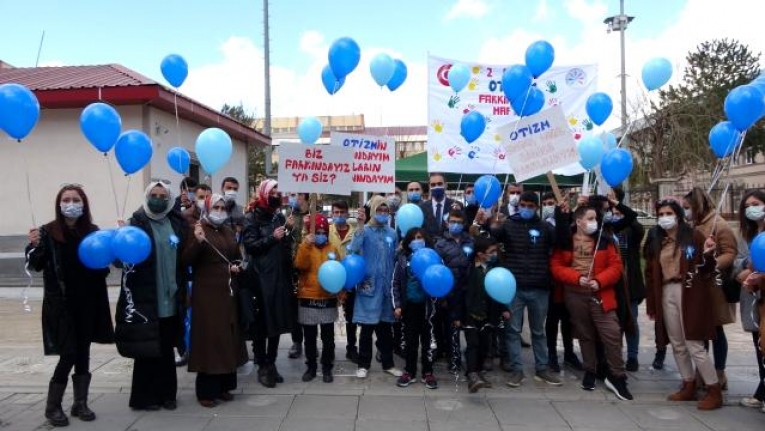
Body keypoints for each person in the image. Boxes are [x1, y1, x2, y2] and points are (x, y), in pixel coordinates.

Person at [27, 185, 114, 427]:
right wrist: (33, 246)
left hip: (88, 302)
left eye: (76, 199)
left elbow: (104, 266)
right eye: (66, 199)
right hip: (61, 305)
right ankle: (52, 406)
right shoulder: (47, 232)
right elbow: (37, 264)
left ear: (84, 204)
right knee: (68, 353)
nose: (71, 203)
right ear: (59, 204)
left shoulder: (93, 232)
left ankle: (80, 403)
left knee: (83, 352)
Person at [115, 180, 187, 411]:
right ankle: (144, 398)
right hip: (146, 297)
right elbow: (120, 261)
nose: (158, 199)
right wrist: (119, 240)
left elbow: (184, 253)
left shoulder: (176, 222)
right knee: (146, 350)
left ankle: (168, 395)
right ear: (146, 197)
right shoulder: (135, 223)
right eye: (154, 194)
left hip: (171, 298)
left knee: (166, 348)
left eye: (162, 195)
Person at [643, 197, 721, 410]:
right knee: (677, 342)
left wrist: (709, 253)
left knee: (694, 342)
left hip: (689, 292)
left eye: (669, 214)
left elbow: (706, 268)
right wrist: (652, 303)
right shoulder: (657, 240)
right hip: (666, 291)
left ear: (678, 215)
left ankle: (713, 388)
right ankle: (688, 383)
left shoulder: (693, 236)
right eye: (661, 215)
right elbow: (650, 274)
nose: (664, 218)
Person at [478, 191, 560, 387]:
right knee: (512, 331)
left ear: (537, 208)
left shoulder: (546, 227)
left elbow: (561, 241)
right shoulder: (508, 224)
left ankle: (542, 369)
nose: (526, 209)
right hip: (514, 287)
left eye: (531, 206)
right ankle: (517, 370)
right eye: (523, 205)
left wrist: (563, 216)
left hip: (540, 287)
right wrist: (485, 222)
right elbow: (491, 236)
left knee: (538, 331)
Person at [550, 205, 632, 400]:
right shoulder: (565, 240)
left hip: (601, 293)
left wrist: (600, 280)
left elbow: (616, 266)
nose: (594, 222)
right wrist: (575, 278)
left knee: (611, 333)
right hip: (574, 293)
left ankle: (617, 375)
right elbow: (556, 266)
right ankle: (590, 370)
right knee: (585, 334)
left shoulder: (605, 240)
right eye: (590, 218)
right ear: (578, 222)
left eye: (595, 218)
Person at [182, 194, 243, 407]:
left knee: (227, 338)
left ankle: (224, 386)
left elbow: (236, 255)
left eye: (222, 207)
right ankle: (206, 391)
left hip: (227, 293)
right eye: (215, 207)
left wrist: (237, 266)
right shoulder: (198, 230)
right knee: (209, 339)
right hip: (207, 295)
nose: (219, 211)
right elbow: (186, 259)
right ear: (207, 209)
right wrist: (198, 242)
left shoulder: (227, 230)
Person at [682, 186, 738, 389]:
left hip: (714, 287)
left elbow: (730, 252)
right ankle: (702, 370)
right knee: (700, 329)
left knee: (715, 329)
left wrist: (710, 263)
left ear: (696, 206)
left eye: (687, 207)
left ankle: (720, 373)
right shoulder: (694, 225)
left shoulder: (718, 225)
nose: (685, 212)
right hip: (697, 285)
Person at [242, 179, 296, 388]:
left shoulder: (279, 216)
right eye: (272, 190)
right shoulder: (251, 218)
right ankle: (262, 365)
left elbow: (286, 244)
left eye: (278, 190)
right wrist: (273, 238)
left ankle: (272, 363)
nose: (276, 193)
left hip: (278, 277)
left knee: (276, 322)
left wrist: (289, 231)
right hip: (259, 279)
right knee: (260, 325)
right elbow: (251, 245)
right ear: (264, 193)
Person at [350, 196, 402, 378]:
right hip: (368, 286)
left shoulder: (392, 233)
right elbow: (353, 250)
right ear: (372, 210)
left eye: (385, 210)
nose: (382, 214)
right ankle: (363, 364)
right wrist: (360, 226)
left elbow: (394, 257)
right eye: (379, 210)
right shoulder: (365, 231)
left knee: (386, 330)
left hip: (386, 289)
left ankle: (388, 364)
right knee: (366, 330)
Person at [458, 235, 510, 392]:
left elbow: (501, 291)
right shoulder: (468, 269)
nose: (494, 254)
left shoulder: (496, 269)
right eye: (491, 251)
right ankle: (472, 375)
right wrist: (457, 315)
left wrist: (505, 308)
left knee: (484, 346)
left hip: (488, 314)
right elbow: (459, 293)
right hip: (470, 314)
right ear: (480, 254)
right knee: (472, 345)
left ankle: (478, 371)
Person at [293, 214, 340, 383]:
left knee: (328, 339)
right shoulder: (305, 246)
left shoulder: (332, 249)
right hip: (308, 298)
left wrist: (341, 294)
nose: (321, 234)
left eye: (323, 231)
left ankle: (327, 368)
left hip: (327, 299)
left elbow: (339, 271)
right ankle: (311, 367)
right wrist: (306, 244)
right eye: (318, 231)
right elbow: (300, 265)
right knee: (310, 339)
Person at [732, 189, 765, 411]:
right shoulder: (746, 234)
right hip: (753, 297)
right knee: (759, 345)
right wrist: (747, 267)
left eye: (755, 203)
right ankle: (762, 390)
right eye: (746, 206)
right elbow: (737, 265)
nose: (750, 209)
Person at [392, 228, 438, 389]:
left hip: (427, 309)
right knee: (410, 343)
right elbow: (395, 284)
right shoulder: (402, 260)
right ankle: (409, 372)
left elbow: (439, 279)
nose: (417, 241)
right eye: (414, 238)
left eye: (420, 237)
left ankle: (428, 373)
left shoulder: (433, 258)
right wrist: (397, 305)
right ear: (408, 242)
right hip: (409, 308)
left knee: (428, 343)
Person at [544, 192, 583, 373]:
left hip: (571, 287)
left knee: (568, 321)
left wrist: (571, 212)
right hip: (554, 285)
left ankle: (569, 353)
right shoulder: (548, 229)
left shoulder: (576, 229)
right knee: (552, 321)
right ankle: (551, 353)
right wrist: (561, 214)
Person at [434, 209, 474, 373]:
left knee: (469, 326)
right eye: (452, 222)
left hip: (467, 289)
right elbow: (437, 269)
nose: (455, 225)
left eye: (458, 222)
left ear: (464, 224)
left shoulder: (470, 241)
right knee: (451, 326)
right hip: (449, 291)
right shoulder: (440, 243)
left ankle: (472, 359)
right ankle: (454, 358)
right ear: (447, 222)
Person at [328, 200, 359, 364]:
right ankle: (329, 348)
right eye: (336, 213)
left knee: (351, 317)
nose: (339, 216)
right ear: (332, 214)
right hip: (329, 279)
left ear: (348, 213)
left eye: (342, 212)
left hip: (350, 281)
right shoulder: (326, 231)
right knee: (328, 316)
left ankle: (351, 347)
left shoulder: (355, 233)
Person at [287, 192, 311, 360]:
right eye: (292, 194)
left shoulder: (314, 216)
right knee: (294, 307)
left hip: (310, 268)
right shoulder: (286, 217)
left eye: (297, 194)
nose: (294, 198)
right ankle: (297, 341)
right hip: (292, 268)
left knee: (311, 306)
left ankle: (311, 342)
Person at [420, 173, 460, 239]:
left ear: (446, 185)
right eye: (433, 185)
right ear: (429, 187)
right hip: (430, 246)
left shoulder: (456, 205)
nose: (436, 187)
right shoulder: (422, 208)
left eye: (439, 184)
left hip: (449, 246)